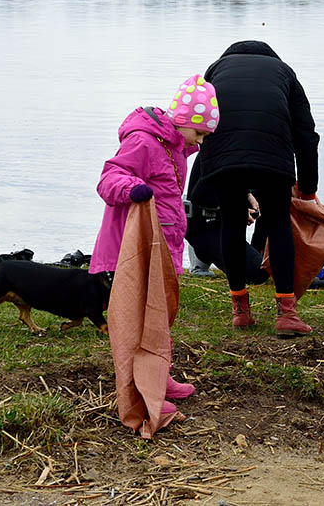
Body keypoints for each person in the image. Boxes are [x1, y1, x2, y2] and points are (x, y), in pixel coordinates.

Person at [89, 74, 220, 414]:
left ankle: (159, 375)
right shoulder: (144, 142)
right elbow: (109, 178)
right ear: (183, 120)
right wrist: (132, 188)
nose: (201, 142)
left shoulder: (176, 148)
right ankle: (141, 391)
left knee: (159, 318)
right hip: (136, 250)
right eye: (199, 133)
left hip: (163, 245)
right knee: (137, 321)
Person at [198, 40, 320, 335]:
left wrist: (209, 171)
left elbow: (201, 119)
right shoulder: (284, 72)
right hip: (273, 156)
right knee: (279, 224)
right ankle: (287, 314)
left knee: (231, 222)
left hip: (223, 156)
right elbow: (306, 133)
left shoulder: (215, 70)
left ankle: (240, 311)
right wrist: (307, 188)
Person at [184, 157, 269, 285]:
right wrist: (236, 208)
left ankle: (259, 254)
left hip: (222, 212)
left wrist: (247, 195)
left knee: (271, 188)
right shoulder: (217, 149)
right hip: (205, 220)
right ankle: (201, 253)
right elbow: (200, 196)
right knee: (258, 274)